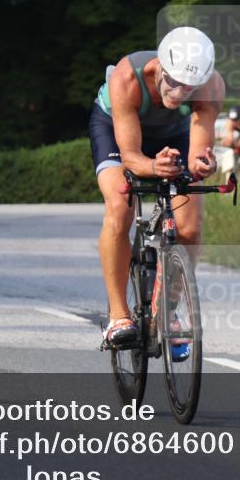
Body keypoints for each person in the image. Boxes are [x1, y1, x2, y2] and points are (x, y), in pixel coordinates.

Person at [90, 27, 225, 345]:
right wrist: (153, 167)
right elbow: (133, 157)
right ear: (160, 67)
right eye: (174, 82)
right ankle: (118, 316)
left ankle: (169, 312)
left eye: (188, 88)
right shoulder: (127, 76)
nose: (179, 93)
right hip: (115, 129)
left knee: (189, 228)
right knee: (120, 209)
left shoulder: (211, 86)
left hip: (173, 133)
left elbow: (196, 158)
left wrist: (203, 165)